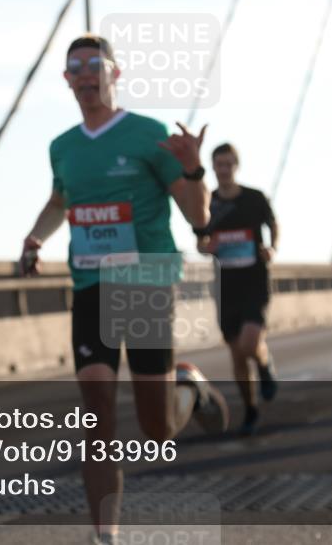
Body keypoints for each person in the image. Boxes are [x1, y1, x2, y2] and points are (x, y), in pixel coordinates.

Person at [19, 34, 228, 545]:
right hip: (91, 284)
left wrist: (193, 168)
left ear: (115, 73)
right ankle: (105, 535)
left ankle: (187, 386)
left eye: (94, 64)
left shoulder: (148, 135)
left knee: (156, 430)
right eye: (75, 67)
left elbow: (197, 214)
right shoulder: (63, 146)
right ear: (67, 81)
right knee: (97, 411)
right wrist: (35, 237)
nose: (85, 74)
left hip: (144, 283)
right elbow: (59, 201)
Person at [193, 143, 279, 437]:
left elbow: (273, 224)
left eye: (229, 164)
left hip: (254, 281)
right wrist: (207, 247)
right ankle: (250, 410)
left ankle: (265, 366)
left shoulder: (254, 198)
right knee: (237, 355)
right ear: (213, 167)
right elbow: (200, 243)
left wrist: (273, 247)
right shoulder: (208, 203)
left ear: (236, 166)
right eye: (219, 164)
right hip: (225, 286)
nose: (224, 169)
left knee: (249, 343)